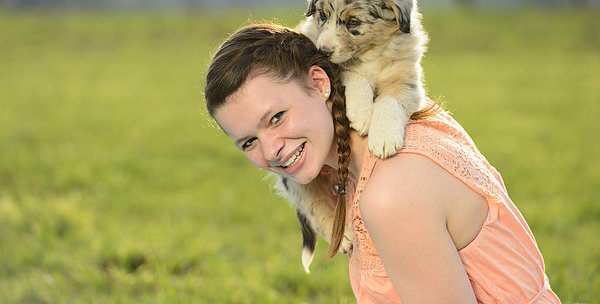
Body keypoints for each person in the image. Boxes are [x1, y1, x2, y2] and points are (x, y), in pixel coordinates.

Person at [204, 23, 561, 304]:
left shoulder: (391, 190)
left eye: (277, 117)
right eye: (248, 142)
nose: (270, 151)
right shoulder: (385, 136)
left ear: (319, 82)